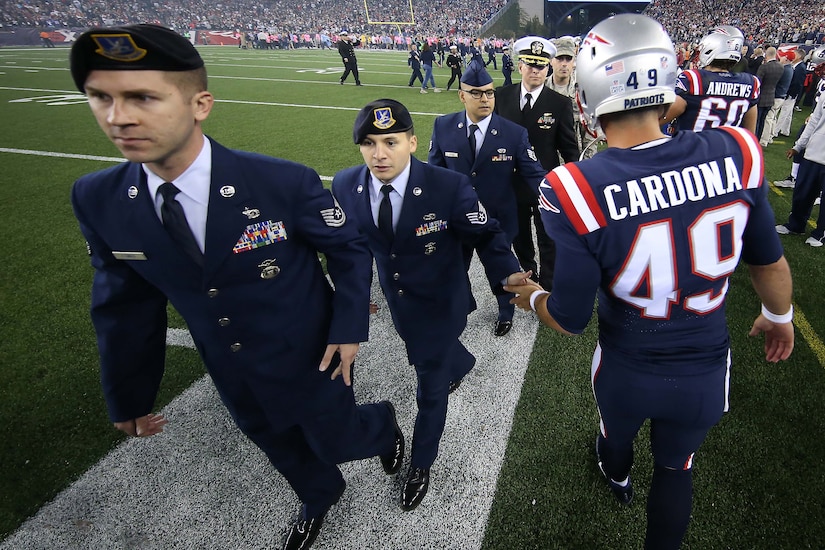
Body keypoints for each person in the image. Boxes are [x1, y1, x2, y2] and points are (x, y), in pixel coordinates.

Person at [68, 24, 403, 550]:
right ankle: (319, 496)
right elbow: (123, 303)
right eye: (100, 97)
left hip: (312, 350)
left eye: (143, 97)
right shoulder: (97, 197)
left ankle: (382, 428)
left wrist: (349, 326)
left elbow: (348, 249)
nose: (119, 116)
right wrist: (128, 396)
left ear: (200, 104)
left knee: (336, 433)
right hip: (229, 363)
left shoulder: (280, 182)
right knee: (275, 440)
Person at [504, 14, 794, 550]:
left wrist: (532, 297)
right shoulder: (737, 149)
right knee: (677, 469)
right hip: (705, 367)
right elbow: (768, 264)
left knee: (616, 439)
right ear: (668, 81)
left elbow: (569, 317)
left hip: (628, 366)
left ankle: (616, 475)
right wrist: (780, 318)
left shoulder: (573, 186)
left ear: (588, 99)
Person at [332, 99, 524, 511]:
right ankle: (463, 362)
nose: (379, 154)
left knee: (429, 390)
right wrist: (352, 309)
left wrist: (506, 273)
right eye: (368, 143)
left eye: (390, 141)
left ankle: (421, 463)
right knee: (429, 358)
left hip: (440, 305)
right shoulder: (347, 184)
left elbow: (487, 234)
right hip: (400, 307)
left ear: (413, 142)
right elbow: (350, 253)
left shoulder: (446, 186)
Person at [429, 63, 547, 336]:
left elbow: (534, 174)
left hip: (497, 219)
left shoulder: (513, 133)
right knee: (455, 269)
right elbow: (434, 173)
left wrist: (559, 198)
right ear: (462, 96)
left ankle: (506, 311)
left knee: (501, 269)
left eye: (490, 93)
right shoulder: (443, 126)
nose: (485, 99)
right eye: (477, 93)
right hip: (456, 220)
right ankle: (460, 309)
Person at [494, 36, 579, 292]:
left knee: (549, 238)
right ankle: (528, 276)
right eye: (530, 64)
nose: (535, 70)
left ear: (547, 68)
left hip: (546, 183)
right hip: (511, 183)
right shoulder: (500, 96)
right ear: (520, 66)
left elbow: (569, 148)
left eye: (541, 66)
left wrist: (571, 182)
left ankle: (549, 285)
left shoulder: (559, 103)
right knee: (520, 237)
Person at [661, 26, 760, 134]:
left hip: (692, 147)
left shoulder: (694, 80)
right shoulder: (751, 83)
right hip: (727, 148)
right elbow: (750, 133)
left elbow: (660, 119)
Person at [776, 66, 825, 247]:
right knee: (802, 193)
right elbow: (813, 122)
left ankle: (821, 233)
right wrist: (799, 146)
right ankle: (796, 225)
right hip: (813, 153)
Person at [546, 35, 594, 157]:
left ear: (574, 61)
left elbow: (589, 136)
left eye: (568, 59)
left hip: (573, 161)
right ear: (551, 60)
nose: (564, 64)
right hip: (547, 161)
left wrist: (587, 166)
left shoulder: (583, 90)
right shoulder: (541, 88)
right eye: (560, 58)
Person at [755, 47, 784, 142]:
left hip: (761, 97)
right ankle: (758, 139)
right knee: (763, 120)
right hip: (771, 97)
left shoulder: (764, 67)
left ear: (766, 55)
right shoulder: (780, 66)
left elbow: (757, 82)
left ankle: (754, 139)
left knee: (757, 121)